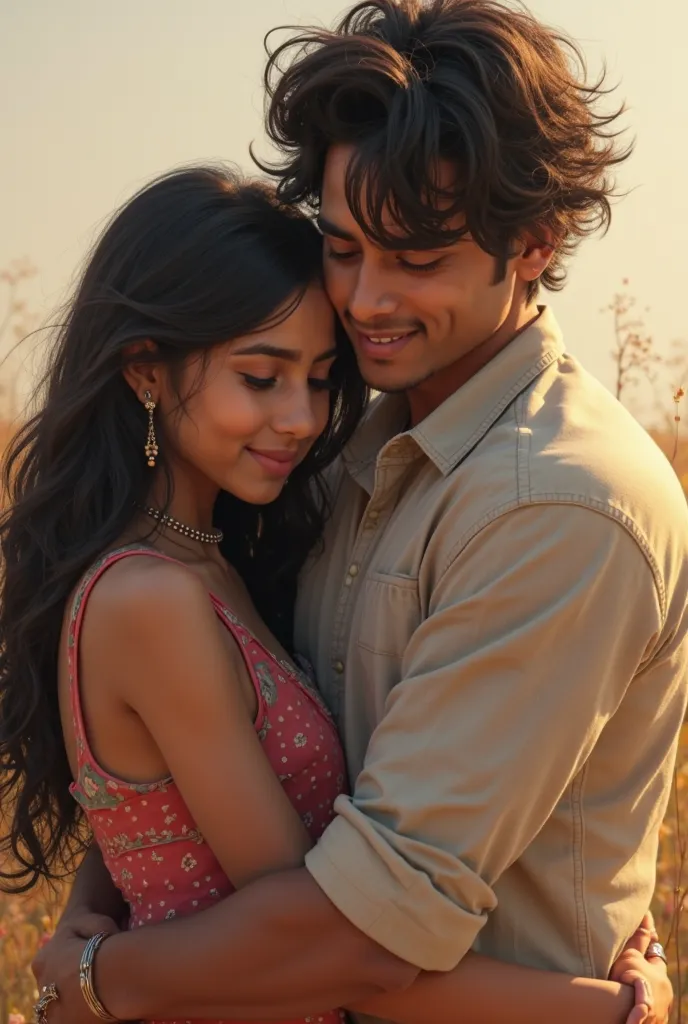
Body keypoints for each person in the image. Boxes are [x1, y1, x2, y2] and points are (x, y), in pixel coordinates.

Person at [27, 0, 688, 1022]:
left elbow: (362, 931)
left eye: (416, 259)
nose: (367, 300)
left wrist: (96, 977)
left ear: (532, 242)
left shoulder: (556, 507)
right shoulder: (344, 458)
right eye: (341, 248)